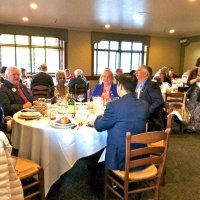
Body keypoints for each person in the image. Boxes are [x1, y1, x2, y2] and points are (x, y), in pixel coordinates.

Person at [94, 74, 149, 171]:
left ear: (120, 86)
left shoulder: (113, 106)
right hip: (140, 155)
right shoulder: (144, 105)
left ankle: (112, 180)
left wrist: (98, 116)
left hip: (119, 159)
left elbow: (99, 126)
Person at [135, 65, 166, 131]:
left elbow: (159, 101)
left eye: (139, 70)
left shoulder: (152, 85)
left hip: (150, 120)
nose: (136, 72)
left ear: (146, 73)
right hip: (138, 116)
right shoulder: (137, 85)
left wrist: (146, 111)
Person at [185, 57, 200, 132]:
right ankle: (190, 126)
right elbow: (188, 82)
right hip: (193, 92)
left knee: (198, 110)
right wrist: (196, 80)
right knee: (191, 109)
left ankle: (195, 127)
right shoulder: (194, 71)